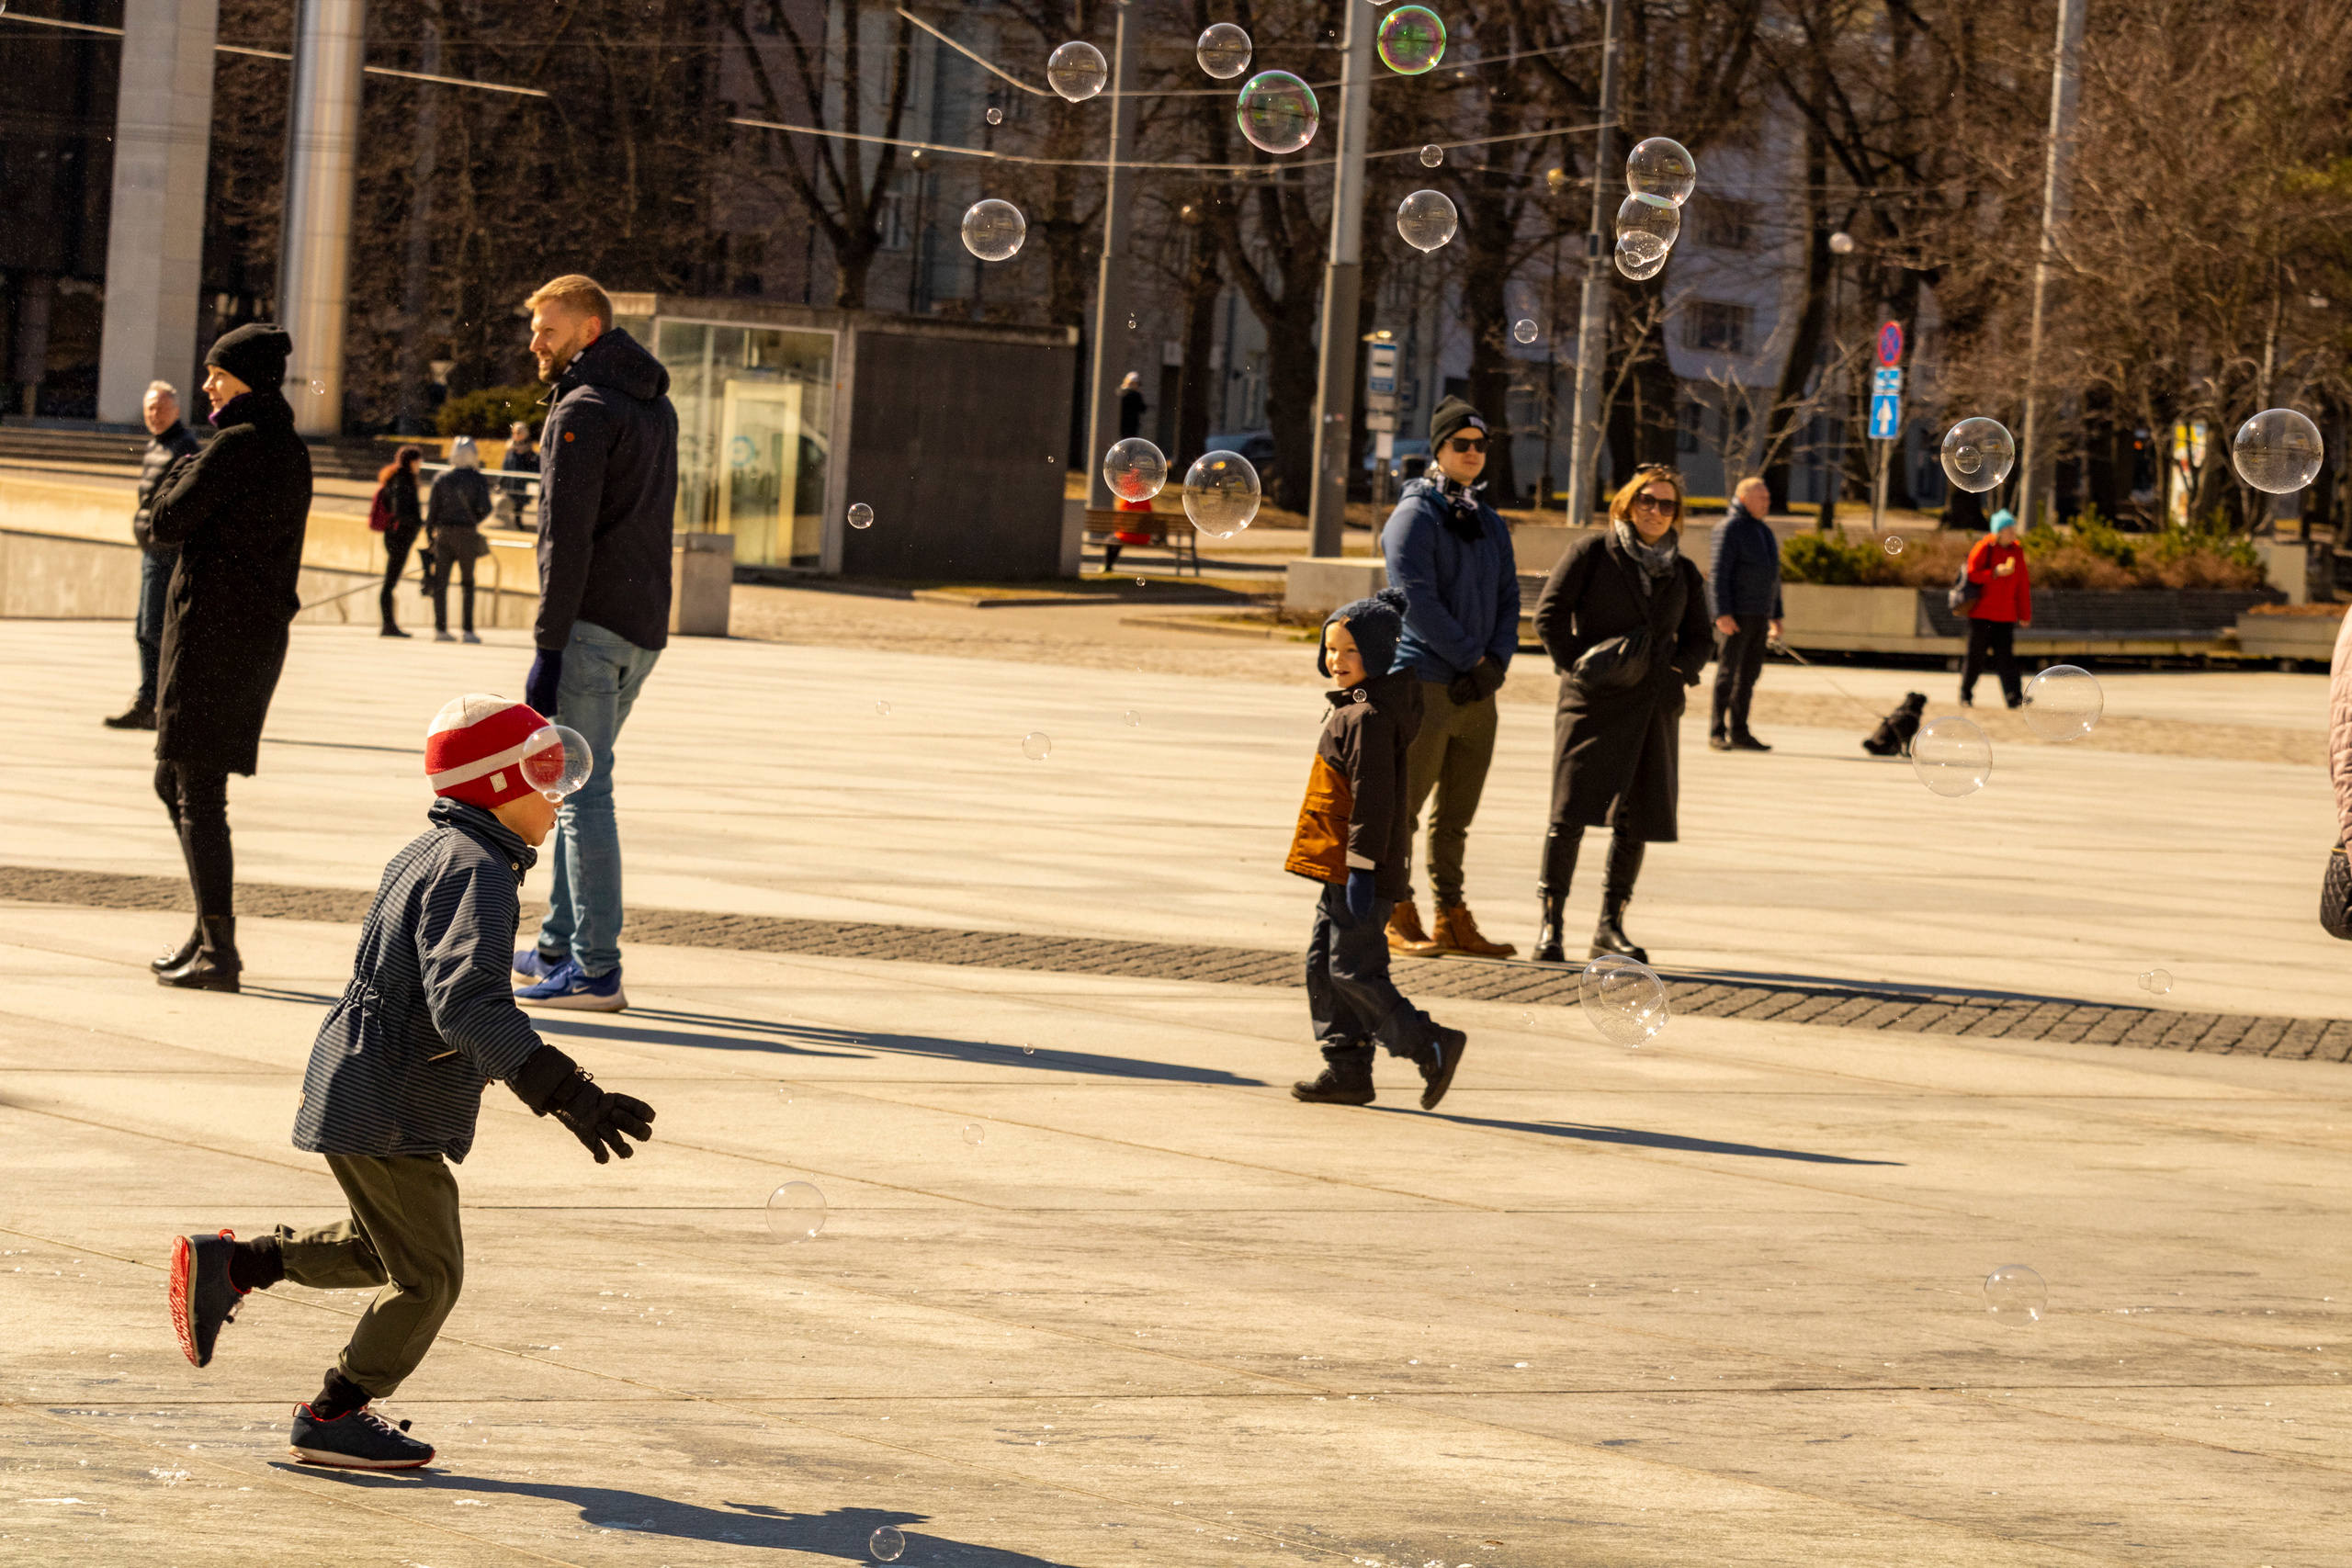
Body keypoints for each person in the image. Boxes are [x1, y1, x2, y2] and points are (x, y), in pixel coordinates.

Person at [164, 694, 657, 1470]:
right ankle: (335, 1410)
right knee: (430, 1275)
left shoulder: (438, 849)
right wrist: (569, 1091)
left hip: (370, 1083)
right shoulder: (479, 870)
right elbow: (464, 1005)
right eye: (542, 776)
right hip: (388, 1099)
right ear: (497, 787)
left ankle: (238, 1265)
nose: (558, 796)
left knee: (383, 1246)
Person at [510, 275, 679, 1013]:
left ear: (588, 329)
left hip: (592, 626)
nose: (535, 343)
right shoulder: (653, 403)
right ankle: (557, 944)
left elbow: (564, 539)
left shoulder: (581, 409)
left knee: (583, 796)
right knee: (580, 780)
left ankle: (595, 969)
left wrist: (548, 647)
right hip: (643, 626)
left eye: (547, 329)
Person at [144, 324, 311, 992]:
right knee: (175, 782)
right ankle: (207, 928)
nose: (207, 384)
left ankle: (221, 952)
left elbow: (166, 520)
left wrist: (184, 470)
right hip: (240, 639)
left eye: (218, 373)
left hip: (215, 639)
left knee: (198, 792)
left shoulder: (236, 446)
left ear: (248, 379)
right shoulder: (287, 448)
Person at [1285, 587, 1469, 1109]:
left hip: (1360, 869)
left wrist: (1363, 869)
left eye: (1350, 651)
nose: (1336, 661)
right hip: (1339, 866)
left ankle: (1428, 1043)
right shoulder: (1358, 706)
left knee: (1354, 970)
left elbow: (1374, 801)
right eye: (1330, 649)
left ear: (1379, 655)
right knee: (1324, 965)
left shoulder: (1368, 716)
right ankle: (1346, 1069)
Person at [1531, 465, 1713, 964]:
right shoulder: (1592, 552)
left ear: (1677, 514)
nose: (1655, 511)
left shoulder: (1684, 571)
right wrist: (1578, 671)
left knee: (1634, 820)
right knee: (1567, 815)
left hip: (1652, 707)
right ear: (1627, 505)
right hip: (1592, 704)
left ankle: (1610, 926)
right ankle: (1551, 925)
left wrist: (1679, 673)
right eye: (1646, 502)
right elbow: (1548, 616)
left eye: (1667, 504)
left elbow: (1702, 637)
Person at [1378, 395, 1521, 959]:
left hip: (1477, 691)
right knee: (1404, 811)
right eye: (1460, 444)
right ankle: (1394, 910)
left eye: (1481, 445)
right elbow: (1416, 602)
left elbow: (1510, 598)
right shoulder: (1415, 516)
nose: (1472, 453)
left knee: (1456, 818)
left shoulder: (1488, 521)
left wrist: (1496, 665)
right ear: (1438, 449)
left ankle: (1452, 918)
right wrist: (1471, 659)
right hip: (1426, 683)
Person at [104, 380, 202, 729]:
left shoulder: (183, 448)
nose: (154, 415)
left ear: (176, 411)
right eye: (149, 408)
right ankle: (153, 701)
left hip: (166, 553)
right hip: (154, 549)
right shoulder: (157, 444)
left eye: (161, 408)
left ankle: (154, 703)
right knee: (149, 629)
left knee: (154, 630)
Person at [1707, 475, 1784, 751]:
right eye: (1762, 497)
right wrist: (1721, 613)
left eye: (1768, 497)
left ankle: (1740, 731)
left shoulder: (1764, 531)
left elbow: (1773, 576)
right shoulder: (1728, 528)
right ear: (1744, 499)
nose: (1768, 501)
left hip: (1759, 615)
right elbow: (1717, 574)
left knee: (1749, 676)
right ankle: (1717, 732)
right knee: (1727, 674)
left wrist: (1776, 615)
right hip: (1735, 615)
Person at [424, 435, 493, 643]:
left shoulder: (441, 479)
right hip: (467, 534)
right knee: (468, 583)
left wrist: (430, 535)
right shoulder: (478, 479)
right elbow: (487, 508)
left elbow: (432, 511)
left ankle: (440, 628)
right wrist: (473, 519)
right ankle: (468, 630)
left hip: (444, 534)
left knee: (440, 583)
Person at [1961, 509, 2031, 707]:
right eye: (2009, 528)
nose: (2013, 532)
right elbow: (1972, 574)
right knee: (1975, 657)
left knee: (2006, 659)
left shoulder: (2017, 551)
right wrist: (1994, 572)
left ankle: (2014, 697)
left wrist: (2024, 614)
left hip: (2005, 616)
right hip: (1982, 615)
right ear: (1998, 531)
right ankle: (1966, 693)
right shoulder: (1985, 547)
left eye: (2013, 528)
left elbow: (2022, 586)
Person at [374, 446, 424, 638]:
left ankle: (389, 624)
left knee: (390, 582)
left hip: (396, 536)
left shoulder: (398, 479)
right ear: (411, 461)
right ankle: (388, 625)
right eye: (418, 461)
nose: (420, 465)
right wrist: (418, 522)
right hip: (398, 537)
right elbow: (401, 511)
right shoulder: (402, 481)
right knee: (389, 583)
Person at [499, 419, 540, 525]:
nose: (516, 435)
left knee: (519, 503)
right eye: (514, 433)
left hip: (522, 482)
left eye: (519, 433)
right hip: (511, 480)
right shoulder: (510, 448)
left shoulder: (528, 450)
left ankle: (518, 520)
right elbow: (505, 466)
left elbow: (533, 466)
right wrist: (500, 481)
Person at [1118, 371, 1146, 439]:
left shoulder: (1123, 393)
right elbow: (1143, 408)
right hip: (1131, 426)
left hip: (1124, 426)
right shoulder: (1135, 395)